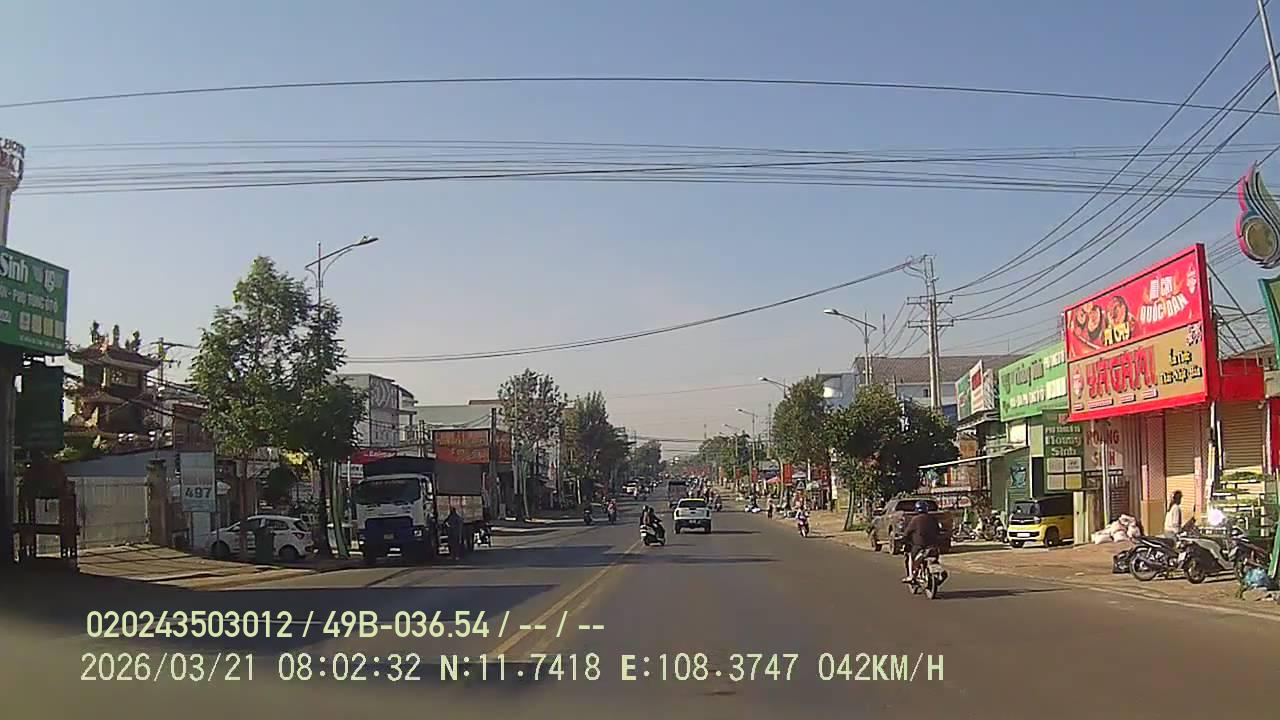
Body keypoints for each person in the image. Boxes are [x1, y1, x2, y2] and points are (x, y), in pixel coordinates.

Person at [901, 500, 943, 583]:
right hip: (933, 546)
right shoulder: (933, 519)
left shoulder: (915, 520)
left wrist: (903, 540)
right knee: (935, 559)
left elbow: (907, 533)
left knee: (910, 557)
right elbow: (938, 531)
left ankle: (911, 576)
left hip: (919, 546)